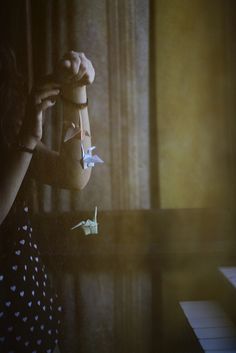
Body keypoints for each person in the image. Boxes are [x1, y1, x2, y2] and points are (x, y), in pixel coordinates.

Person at [0, 44, 95, 353]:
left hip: (31, 319)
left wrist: (76, 96)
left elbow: (78, 174)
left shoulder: (7, 137)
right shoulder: (19, 139)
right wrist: (28, 138)